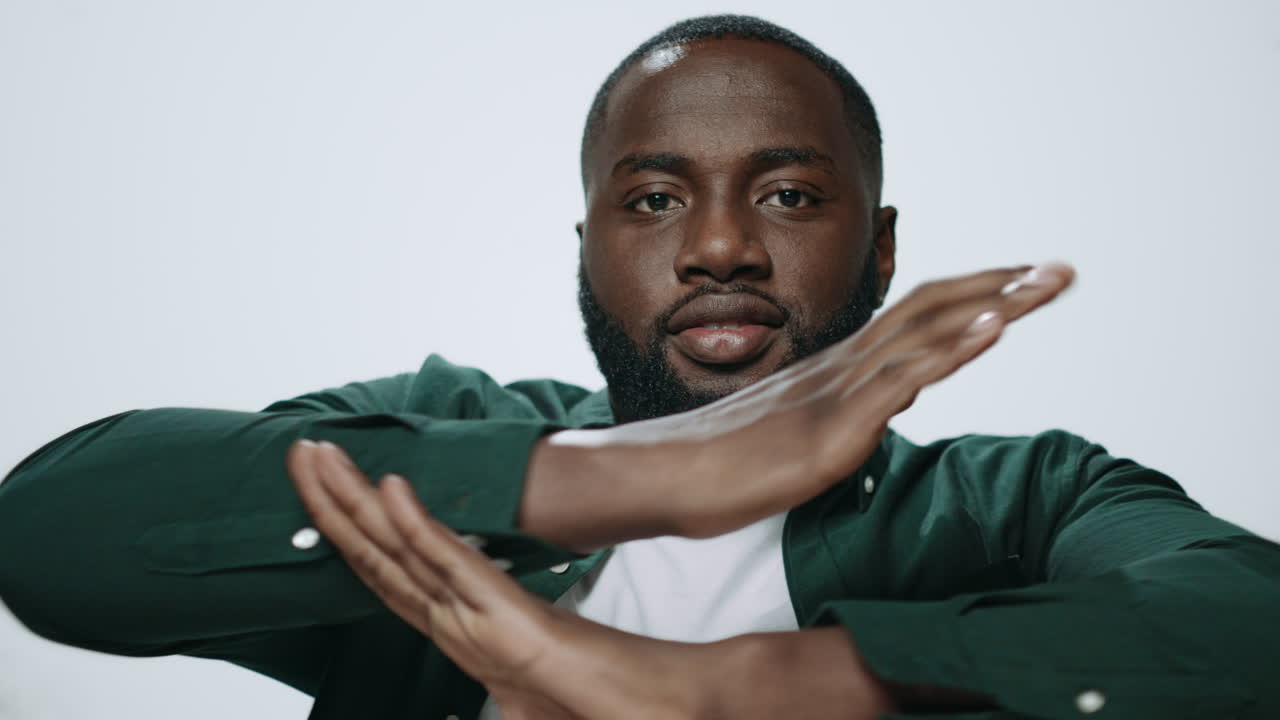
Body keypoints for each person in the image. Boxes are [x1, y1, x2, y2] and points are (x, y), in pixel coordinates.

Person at [1, 13, 1276, 720]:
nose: (720, 244)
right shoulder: (448, 432)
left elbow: (1246, 632)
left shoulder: (1020, 504)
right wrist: (661, 471)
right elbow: (51, 536)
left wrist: (720, 692)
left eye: (785, 192)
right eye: (654, 200)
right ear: (587, 246)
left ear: (881, 251)